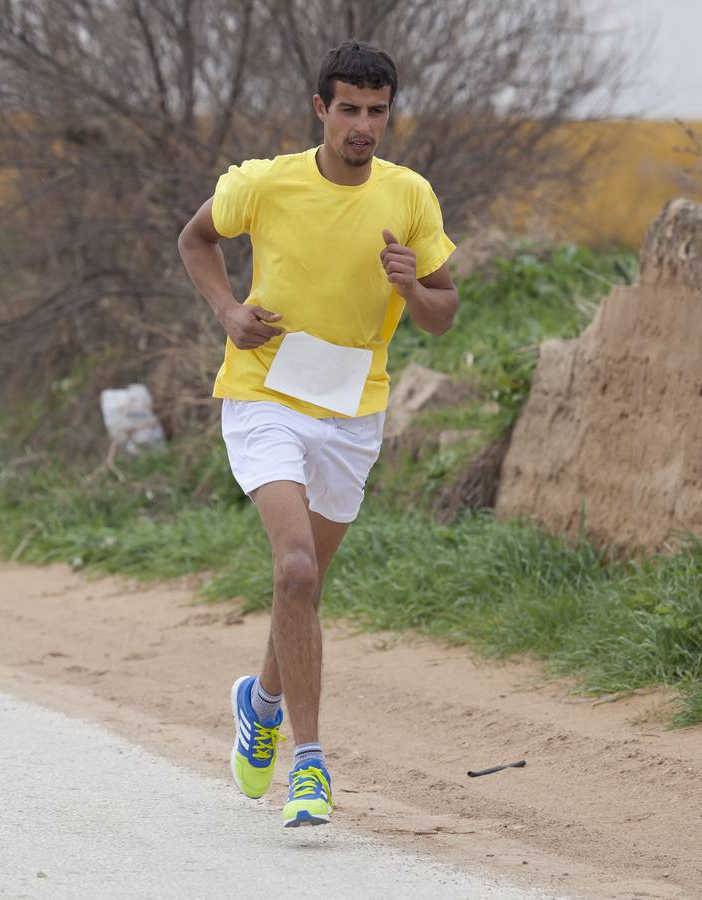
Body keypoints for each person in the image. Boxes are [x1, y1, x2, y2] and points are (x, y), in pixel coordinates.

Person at [177, 41, 457, 828]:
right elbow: (194, 240)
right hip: (263, 395)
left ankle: (260, 700)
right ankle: (310, 764)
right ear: (320, 110)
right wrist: (229, 313)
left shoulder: (409, 198)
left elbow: (443, 313)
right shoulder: (266, 182)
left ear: (388, 112)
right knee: (293, 567)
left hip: (351, 413)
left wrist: (413, 287)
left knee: (303, 588)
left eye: (376, 111)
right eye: (348, 110)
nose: (362, 126)